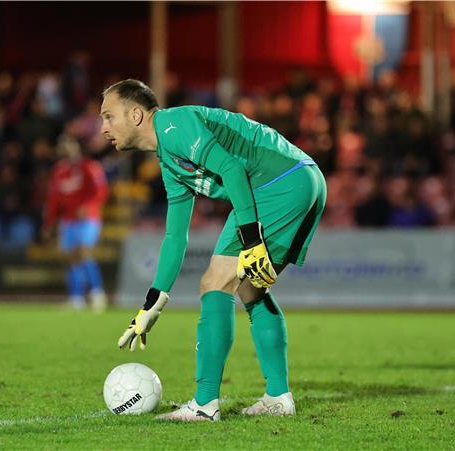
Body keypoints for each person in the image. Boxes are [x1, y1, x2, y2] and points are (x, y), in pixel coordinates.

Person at [101, 79, 326, 421]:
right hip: (302, 179)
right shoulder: (169, 161)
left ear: (135, 115)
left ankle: (204, 405)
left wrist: (251, 240)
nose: (103, 128)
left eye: (108, 116)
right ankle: (278, 397)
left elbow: (232, 169)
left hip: (278, 183)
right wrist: (152, 304)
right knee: (251, 287)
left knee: (213, 283)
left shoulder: (173, 125)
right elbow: (175, 237)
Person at [43, 134, 109, 311]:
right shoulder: (58, 172)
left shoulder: (90, 167)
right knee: (72, 258)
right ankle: (76, 298)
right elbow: (53, 200)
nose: (65, 147)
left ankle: (97, 293)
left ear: (77, 147)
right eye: (62, 144)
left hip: (88, 218)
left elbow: (101, 191)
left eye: (69, 144)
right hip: (68, 220)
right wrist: (49, 223)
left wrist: (88, 205)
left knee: (84, 252)